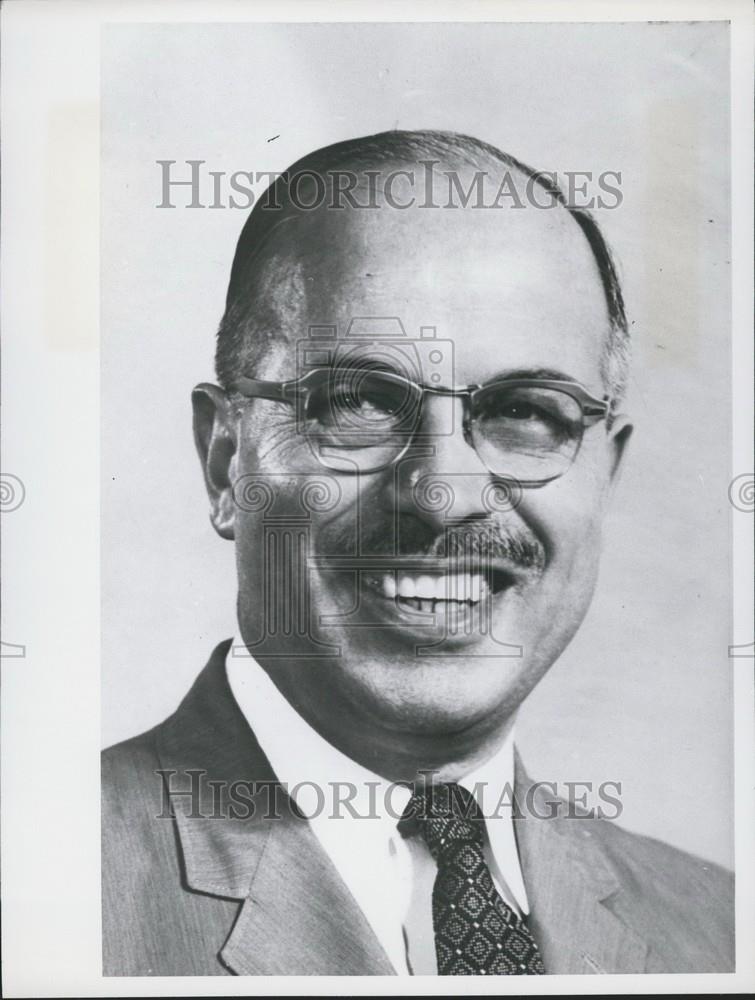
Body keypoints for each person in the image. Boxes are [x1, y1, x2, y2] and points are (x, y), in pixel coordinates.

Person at [101, 130, 734, 976]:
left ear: (603, 477)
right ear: (226, 462)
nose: (444, 492)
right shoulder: (45, 879)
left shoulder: (719, 927)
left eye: (524, 411)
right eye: (357, 400)